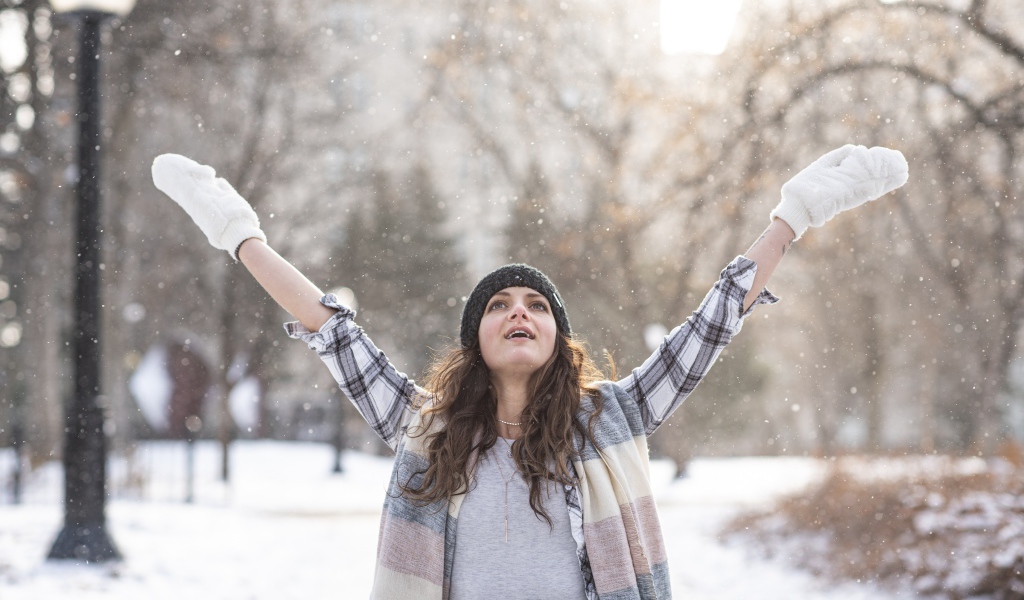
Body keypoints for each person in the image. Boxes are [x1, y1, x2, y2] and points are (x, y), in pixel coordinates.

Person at [151, 144, 908, 600]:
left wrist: (793, 215)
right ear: (475, 338)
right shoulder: (428, 428)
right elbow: (331, 328)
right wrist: (237, 232)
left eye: (536, 305)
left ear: (557, 335)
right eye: (499, 306)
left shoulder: (610, 416)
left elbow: (710, 326)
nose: (519, 312)